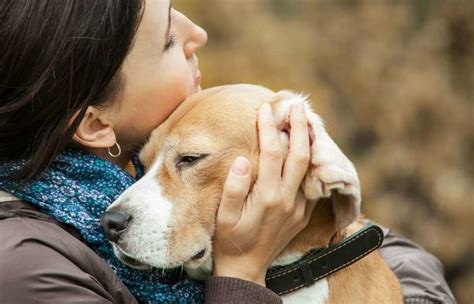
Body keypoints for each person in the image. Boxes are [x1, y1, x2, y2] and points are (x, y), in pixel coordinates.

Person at [0, 1, 455, 303]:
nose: (197, 33)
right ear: (96, 123)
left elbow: (395, 255)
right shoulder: (26, 268)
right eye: (167, 42)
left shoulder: (140, 165)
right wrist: (242, 269)